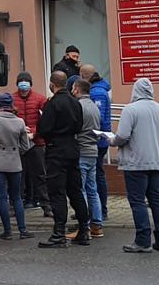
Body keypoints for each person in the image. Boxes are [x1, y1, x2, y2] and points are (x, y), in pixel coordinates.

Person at [112, 77, 159, 253]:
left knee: (137, 201)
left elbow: (122, 136)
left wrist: (111, 140)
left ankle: (143, 240)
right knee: (157, 200)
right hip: (157, 161)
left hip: (135, 162)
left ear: (135, 91)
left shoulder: (130, 110)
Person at [37, 70, 92, 248]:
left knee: (57, 192)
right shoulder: (76, 103)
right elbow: (79, 125)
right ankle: (84, 230)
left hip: (56, 151)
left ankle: (59, 233)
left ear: (52, 84)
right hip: (73, 149)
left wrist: (39, 133)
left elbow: (44, 129)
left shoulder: (52, 104)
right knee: (75, 191)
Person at [0, 93, 33, 240]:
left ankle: (7, 232)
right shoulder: (20, 122)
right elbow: (25, 145)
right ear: (11, 105)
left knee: (2, 197)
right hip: (14, 163)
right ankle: (23, 230)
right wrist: (17, 152)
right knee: (17, 197)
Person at [69, 76, 104, 241]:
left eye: (73, 88)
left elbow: (74, 128)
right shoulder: (95, 107)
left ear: (76, 89)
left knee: (80, 190)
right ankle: (96, 224)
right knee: (93, 190)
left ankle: (84, 226)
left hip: (81, 150)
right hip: (93, 151)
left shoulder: (78, 106)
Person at [80, 63, 113, 237]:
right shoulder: (101, 88)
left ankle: (98, 212)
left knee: (94, 179)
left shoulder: (96, 92)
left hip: (96, 140)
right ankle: (96, 212)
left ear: (84, 76)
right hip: (100, 139)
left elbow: (97, 119)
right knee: (96, 177)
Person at [12, 73, 49, 212]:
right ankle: (17, 206)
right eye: (20, 82)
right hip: (18, 143)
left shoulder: (40, 99)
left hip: (37, 142)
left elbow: (46, 119)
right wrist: (21, 131)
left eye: (26, 82)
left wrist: (34, 132)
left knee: (40, 175)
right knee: (18, 176)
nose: (23, 84)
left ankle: (46, 205)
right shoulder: (12, 99)